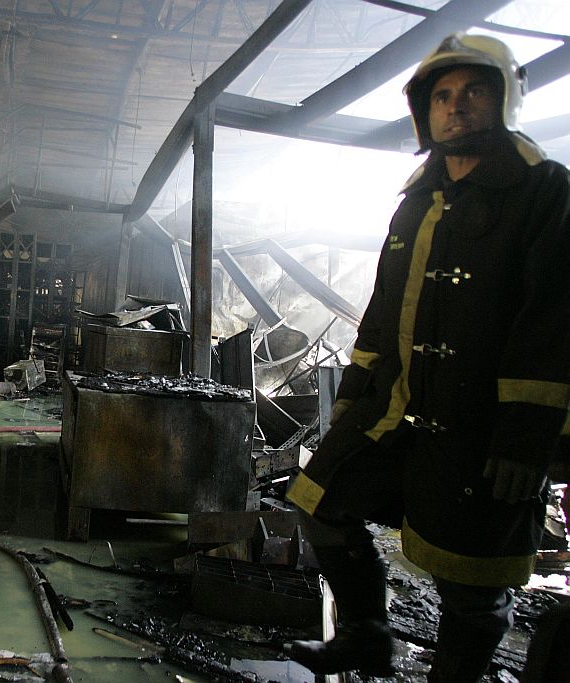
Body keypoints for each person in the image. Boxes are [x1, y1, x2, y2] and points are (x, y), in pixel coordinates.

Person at [283, 33, 570, 681]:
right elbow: (382, 311)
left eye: (473, 91)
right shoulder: (416, 202)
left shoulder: (544, 190)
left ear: (504, 99)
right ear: (425, 111)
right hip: (397, 412)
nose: (455, 106)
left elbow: (553, 321)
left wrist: (527, 439)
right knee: (318, 498)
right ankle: (366, 635)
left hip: (486, 429)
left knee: (472, 577)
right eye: (442, 96)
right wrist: (352, 398)